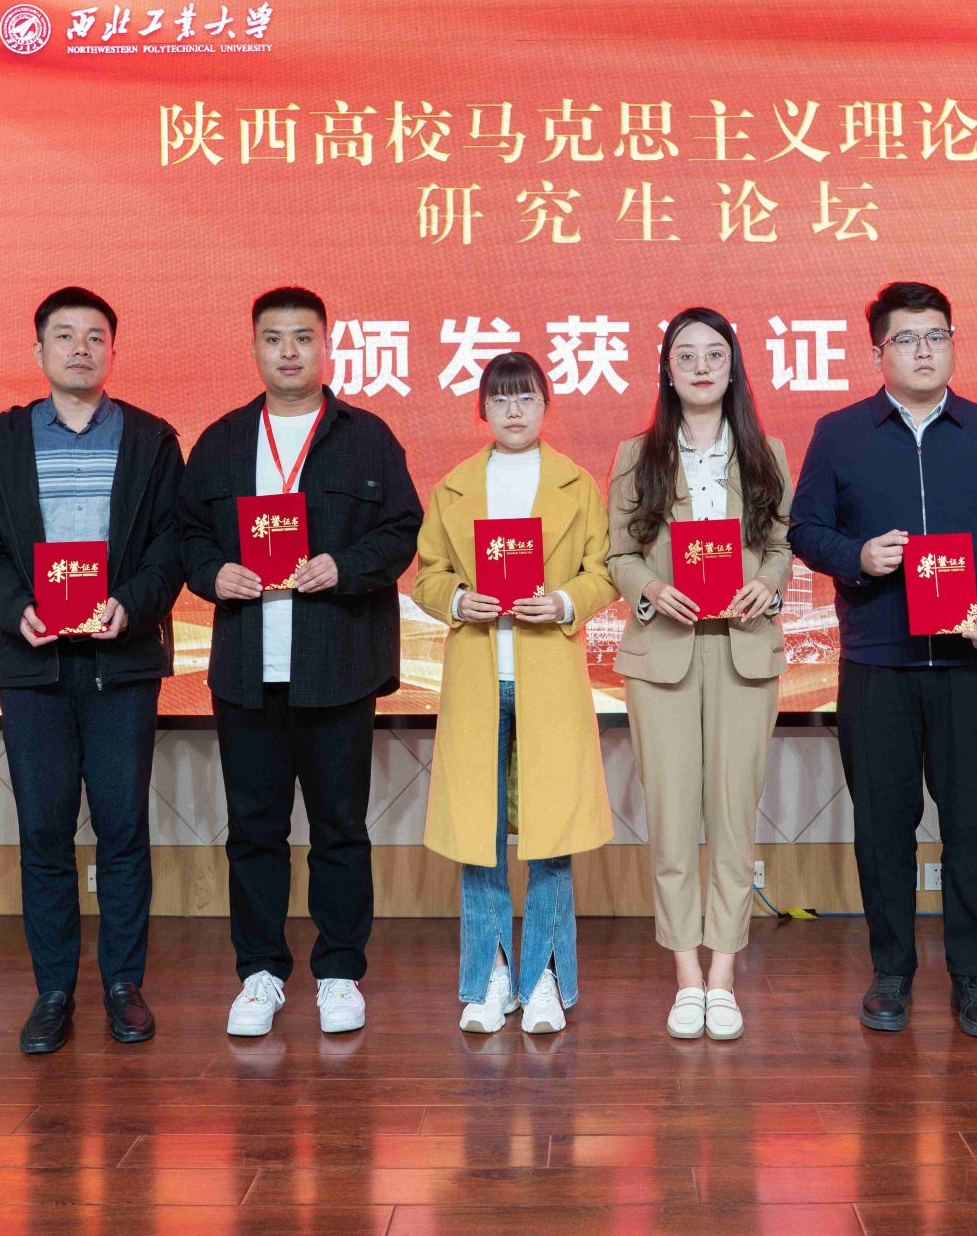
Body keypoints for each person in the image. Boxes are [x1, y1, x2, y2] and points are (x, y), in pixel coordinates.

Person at [791, 282, 977, 1038]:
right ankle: (891, 972)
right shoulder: (840, 434)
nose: (923, 350)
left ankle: (974, 978)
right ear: (878, 351)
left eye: (936, 336)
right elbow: (805, 529)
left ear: (952, 344)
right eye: (905, 338)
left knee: (973, 825)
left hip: (971, 663)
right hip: (878, 663)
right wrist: (857, 556)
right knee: (883, 827)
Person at [176, 286, 422, 1038]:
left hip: (336, 663)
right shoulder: (222, 440)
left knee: (339, 827)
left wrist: (343, 566)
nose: (289, 351)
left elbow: (401, 531)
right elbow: (185, 535)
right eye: (274, 338)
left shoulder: (367, 436)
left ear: (326, 345)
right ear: (254, 347)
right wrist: (212, 573)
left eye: (303, 337)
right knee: (253, 829)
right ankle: (260, 972)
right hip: (247, 668)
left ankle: (340, 971)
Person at [0, 286, 186, 1053]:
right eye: (64, 335)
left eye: (94, 336)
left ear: (113, 351)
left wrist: (133, 605)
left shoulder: (151, 439)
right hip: (35, 667)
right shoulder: (2, 441)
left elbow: (172, 546)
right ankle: (53, 990)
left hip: (121, 663)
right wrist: (12, 606)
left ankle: (124, 985)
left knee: (123, 828)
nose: (80, 348)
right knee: (44, 831)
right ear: (39, 351)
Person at [413, 352, 618, 1036]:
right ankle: (491, 975)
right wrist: (457, 599)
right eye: (500, 399)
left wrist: (563, 601)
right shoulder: (454, 487)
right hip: (479, 675)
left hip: (547, 675)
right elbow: (427, 576)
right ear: (482, 410)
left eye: (526, 397)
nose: (514, 410)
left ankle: (546, 978)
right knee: (481, 839)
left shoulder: (575, 484)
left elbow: (602, 572)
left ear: (545, 405)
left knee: (550, 837)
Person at [606, 308, 794, 1041]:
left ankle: (724, 975)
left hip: (744, 647)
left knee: (735, 818)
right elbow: (619, 554)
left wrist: (768, 586)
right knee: (673, 818)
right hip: (666, 652)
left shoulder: (766, 452)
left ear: (733, 365)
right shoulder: (638, 454)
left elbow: (781, 544)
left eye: (715, 354)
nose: (702, 367)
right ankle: (687, 975)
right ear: (668, 369)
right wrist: (651, 589)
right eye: (686, 355)